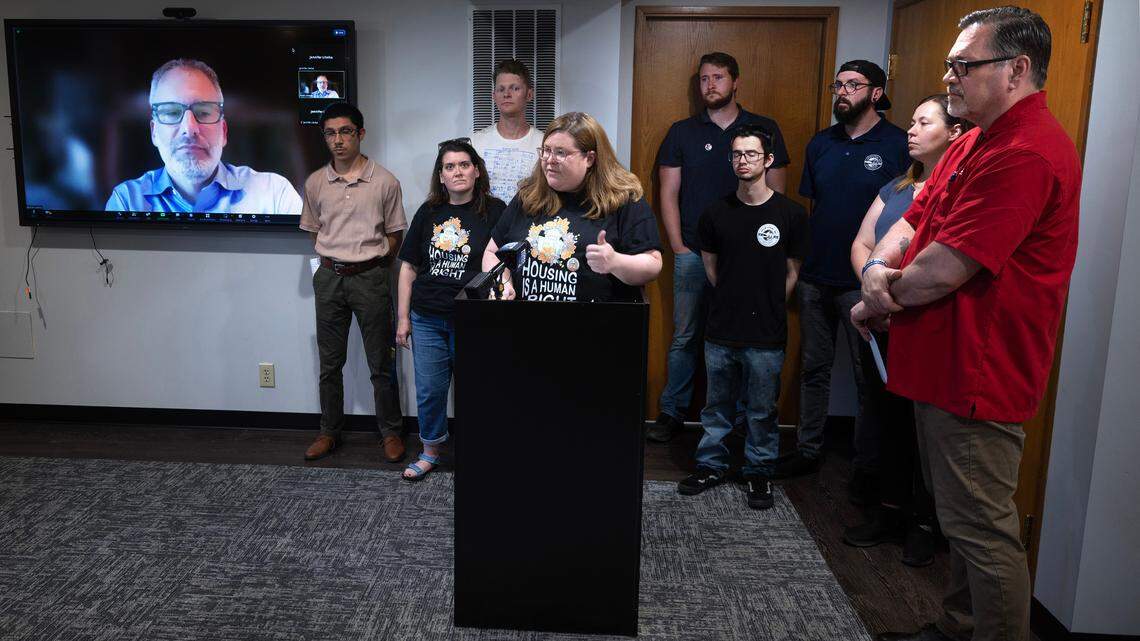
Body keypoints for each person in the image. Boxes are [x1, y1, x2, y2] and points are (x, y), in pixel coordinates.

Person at [853, 8, 1081, 641]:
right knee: (959, 521)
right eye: (950, 64)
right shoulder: (977, 135)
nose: (948, 77)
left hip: (979, 371)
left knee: (981, 530)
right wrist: (877, 265)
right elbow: (912, 217)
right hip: (940, 361)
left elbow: (942, 272)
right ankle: (958, 629)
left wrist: (877, 296)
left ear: (1017, 70)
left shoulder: (1027, 151)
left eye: (963, 65)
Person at [843, 94, 972, 567]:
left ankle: (925, 522)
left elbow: (942, 267)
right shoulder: (898, 188)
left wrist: (890, 300)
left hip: (921, 323)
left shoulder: (959, 190)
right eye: (912, 121)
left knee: (925, 432)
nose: (911, 131)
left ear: (955, 134)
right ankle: (889, 511)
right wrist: (872, 294)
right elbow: (865, 243)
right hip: (879, 320)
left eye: (924, 122)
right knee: (886, 420)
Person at [774, 60, 909, 482]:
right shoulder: (821, 144)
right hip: (817, 276)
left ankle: (868, 468)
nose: (842, 92)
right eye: (839, 84)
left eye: (853, 85)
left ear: (875, 93)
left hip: (864, 282)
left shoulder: (900, 144)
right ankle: (808, 449)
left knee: (869, 376)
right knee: (813, 368)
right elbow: (816, 206)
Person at [649, 51, 792, 443]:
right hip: (693, 252)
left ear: (735, 81)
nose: (710, 85)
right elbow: (668, 191)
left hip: (750, 260)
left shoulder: (762, 128)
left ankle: (747, 419)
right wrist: (678, 246)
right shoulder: (682, 132)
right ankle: (672, 412)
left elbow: (777, 195)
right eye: (704, 79)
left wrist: (766, 252)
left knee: (749, 339)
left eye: (718, 78)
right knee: (685, 336)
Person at [676, 124, 808, 510]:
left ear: (768, 160)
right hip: (721, 328)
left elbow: (792, 272)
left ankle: (758, 470)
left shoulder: (791, 215)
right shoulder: (716, 214)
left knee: (762, 408)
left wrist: (765, 303)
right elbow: (711, 269)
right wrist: (735, 299)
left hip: (766, 331)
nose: (742, 160)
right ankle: (710, 465)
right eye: (736, 154)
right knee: (716, 405)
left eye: (750, 154)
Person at [299, 102, 408, 464]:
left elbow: (396, 234)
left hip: (370, 278)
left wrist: (376, 265)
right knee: (330, 364)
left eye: (345, 131)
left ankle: (390, 432)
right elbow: (315, 230)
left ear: (360, 134)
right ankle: (329, 432)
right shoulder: (315, 182)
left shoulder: (385, 181)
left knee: (381, 362)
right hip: (330, 278)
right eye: (330, 133)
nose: (338, 140)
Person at [396, 139, 505, 480]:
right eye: (449, 167)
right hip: (426, 317)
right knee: (430, 391)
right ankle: (430, 452)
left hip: (474, 319)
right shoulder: (428, 212)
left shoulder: (497, 211)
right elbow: (409, 267)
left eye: (463, 165)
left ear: (476, 171)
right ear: (440, 176)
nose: (457, 171)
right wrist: (402, 318)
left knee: (477, 390)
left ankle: (480, 452)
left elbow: (506, 263)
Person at [481, 111, 661, 303]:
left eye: (561, 153)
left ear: (590, 158)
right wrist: (502, 283)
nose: (549, 160)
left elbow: (652, 265)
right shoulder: (529, 195)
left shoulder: (623, 199)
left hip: (596, 326)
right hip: (526, 325)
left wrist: (615, 262)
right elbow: (492, 253)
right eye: (546, 150)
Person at [106, 58, 302, 214]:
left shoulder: (275, 195)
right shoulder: (127, 201)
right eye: (172, 113)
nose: (189, 128)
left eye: (204, 112)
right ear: (154, 132)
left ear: (224, 132)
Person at [471, 59, 545, 204]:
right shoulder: (475, 142)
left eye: (515, 88)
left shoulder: (544, 143)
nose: (506, 94)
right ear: (494, 96)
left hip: (529, 222)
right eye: (501, 89)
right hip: (486, 222)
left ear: (529, 94)